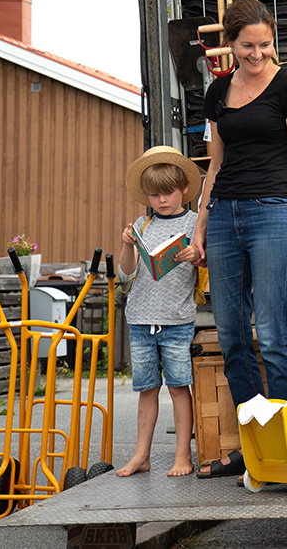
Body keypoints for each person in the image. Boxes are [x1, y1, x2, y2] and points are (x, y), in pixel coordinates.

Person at [193, 0, 287, 478]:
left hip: (274, 212)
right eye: (248, 45)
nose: (258, 54)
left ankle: (286, 437)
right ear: (230, 43)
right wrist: (201, 225)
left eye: (266, 45)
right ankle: (256, 443)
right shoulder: (217, 92)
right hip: (224, 214)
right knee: (230, 333)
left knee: (270, 330)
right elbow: (215, 166)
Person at [116, 146, 203, 477]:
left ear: (183, 189)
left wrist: (196, 254)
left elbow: (205, 263)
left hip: (177, 319)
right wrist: (127, 244)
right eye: (154, 195)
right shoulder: (142, 223)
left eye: (167, 193)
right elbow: (126, 271)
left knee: (180, 387)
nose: (162, 200)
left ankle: (183, 455)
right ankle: (142, 455)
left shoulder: (195, 223)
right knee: (146, 389)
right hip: (139, 319)